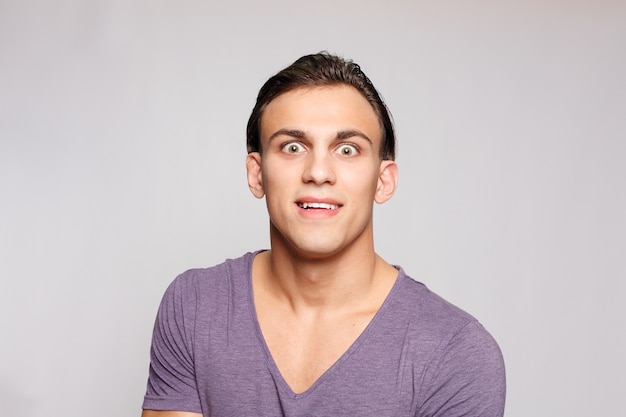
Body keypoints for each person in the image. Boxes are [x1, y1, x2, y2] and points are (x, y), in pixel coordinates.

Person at [141, 52, 506, 417]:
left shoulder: (455, 351)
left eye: (347, 150)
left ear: (383, 180)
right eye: (292, 147)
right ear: (257, 174)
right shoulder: (194, 307)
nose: (318, 172)